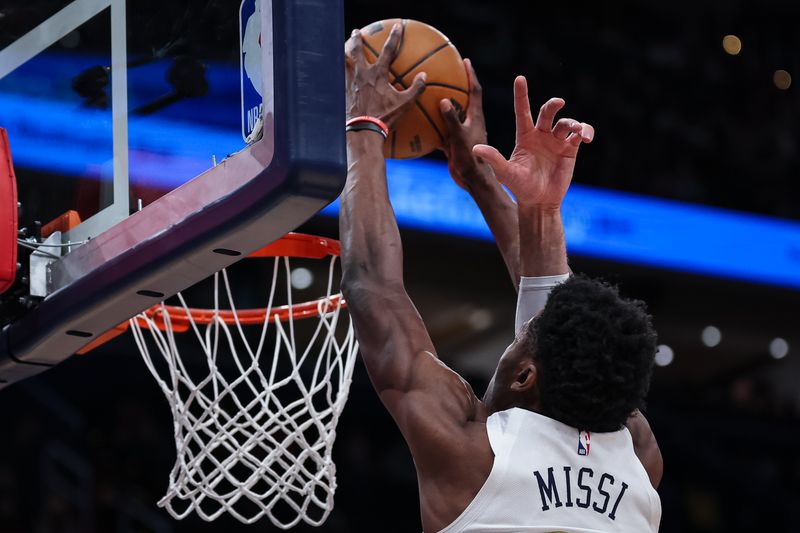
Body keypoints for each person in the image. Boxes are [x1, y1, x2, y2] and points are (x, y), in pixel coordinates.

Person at [341, 24, 662, 533]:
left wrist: (366, 122)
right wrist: (514, 197)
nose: (518, 335)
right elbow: (565, 331)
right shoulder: (637, 463)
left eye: (521, 340)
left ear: (525, 376)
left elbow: (374, 288)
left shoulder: (474, 457)